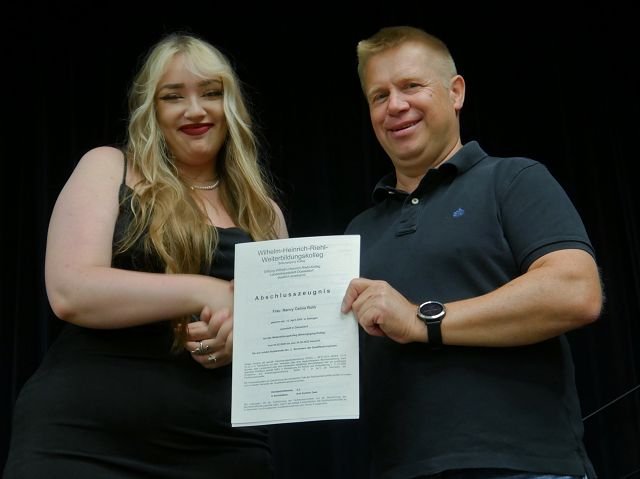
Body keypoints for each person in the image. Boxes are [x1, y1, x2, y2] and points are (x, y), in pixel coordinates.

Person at [3, 33, 288, 478]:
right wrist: (205, 291)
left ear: (231, 104)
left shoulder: (264, 213)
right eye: (173, 96)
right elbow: (70, 290)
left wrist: (239, 337)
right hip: (84, 440)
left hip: (221, 447)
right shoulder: (109, 166)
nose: (195, 110)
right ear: (150, 110)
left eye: (210, 93)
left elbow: (282, 341)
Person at [340, 26, 603, 479]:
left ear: (456, 92)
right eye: (379, 96)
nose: (395, 105)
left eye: (411, 86)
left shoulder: (513, 180)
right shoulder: (357, 233)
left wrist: (421, 321)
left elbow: (575, 291)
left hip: (523, 466)